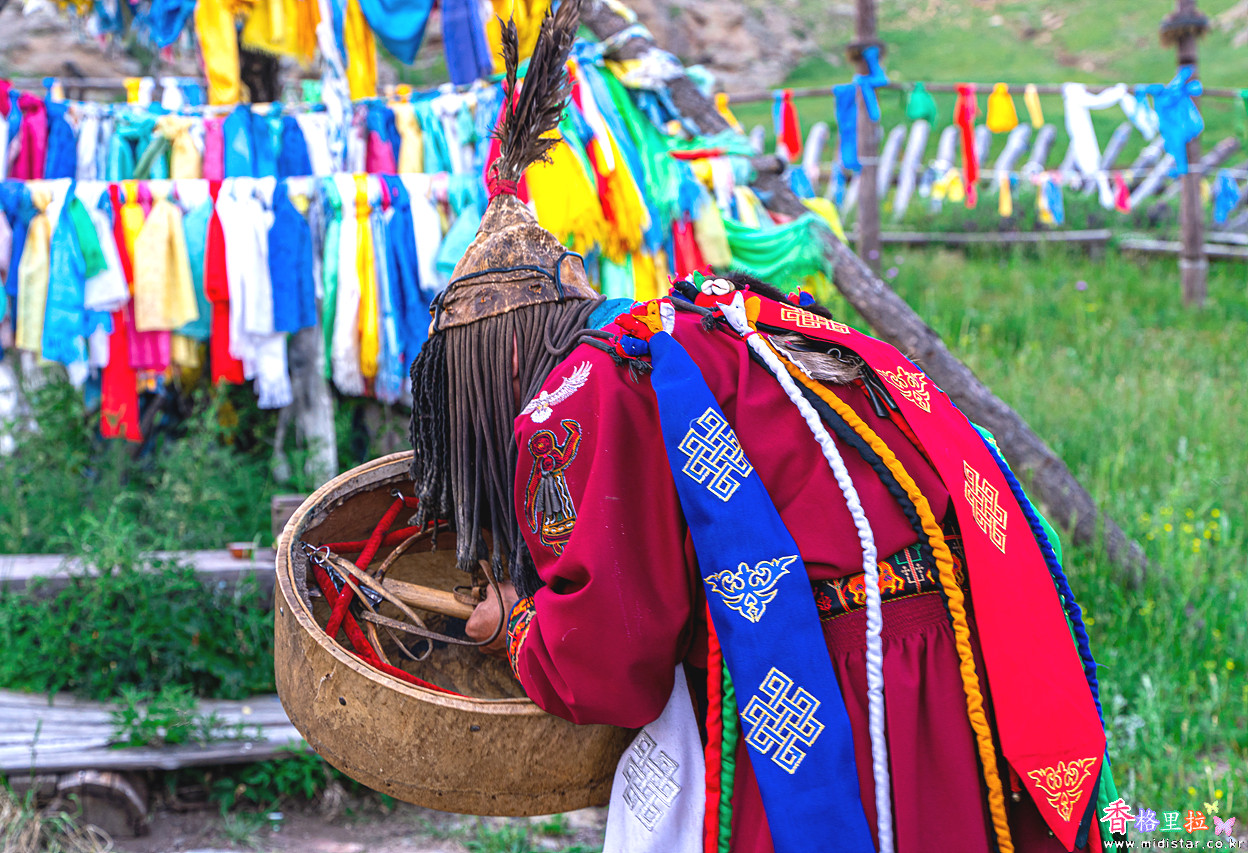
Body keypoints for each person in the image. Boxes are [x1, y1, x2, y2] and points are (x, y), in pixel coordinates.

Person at [412, 4, 1122, 851]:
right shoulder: (685, 332)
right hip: (946, 646)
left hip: (827, 680)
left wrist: (518, 627)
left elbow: (612, 657)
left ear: (495, 356)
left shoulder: (573, 395)